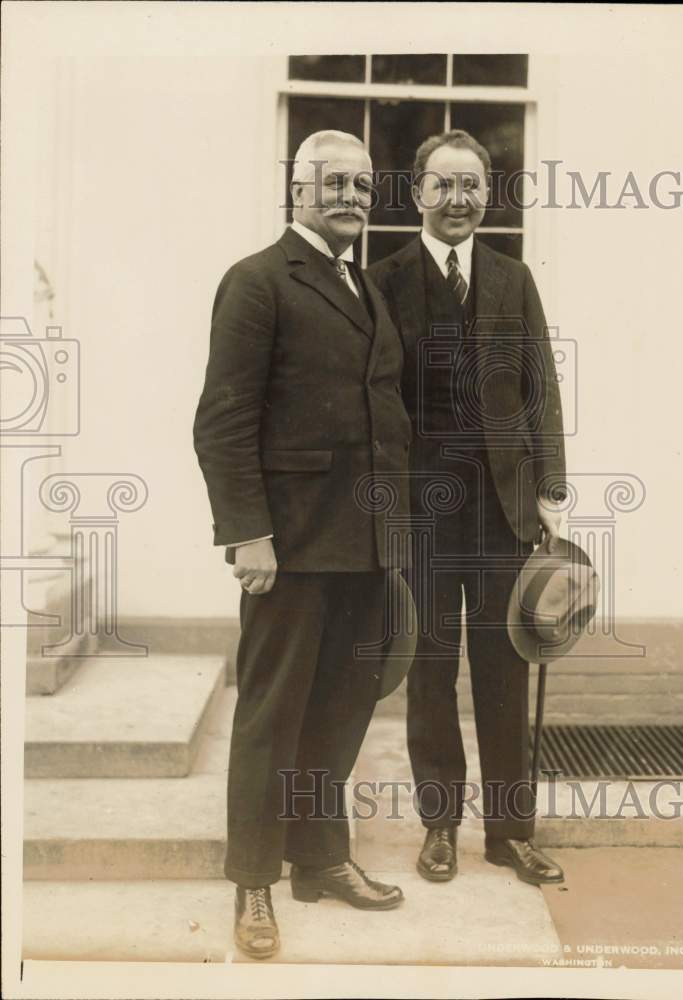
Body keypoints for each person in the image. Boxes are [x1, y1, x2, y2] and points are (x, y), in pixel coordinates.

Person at [194, 130, 412, 960]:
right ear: (298, 191)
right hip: (287, 548)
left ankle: (320, 859)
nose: (351, 198)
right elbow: (221, 422)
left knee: (340, 713)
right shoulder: (257, 281)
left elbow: (379, 414)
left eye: (362, 185)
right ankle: (254, 881)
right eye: (334, 185)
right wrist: (248, 534)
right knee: (271, 717)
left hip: (366, 545)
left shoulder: (364, 285)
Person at [368, 129, 567, 887]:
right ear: (417, 193)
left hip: (502, 512)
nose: (458, 199)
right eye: (443, 185)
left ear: (489, 193)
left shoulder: (512, 279)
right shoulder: (382, 281)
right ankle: (439, 825)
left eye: (472, 185)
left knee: (504, 669)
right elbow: (373, 400)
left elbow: (540, 387)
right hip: (420, 514)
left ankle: (510, 834)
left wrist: (550, 490)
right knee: (429, 667)